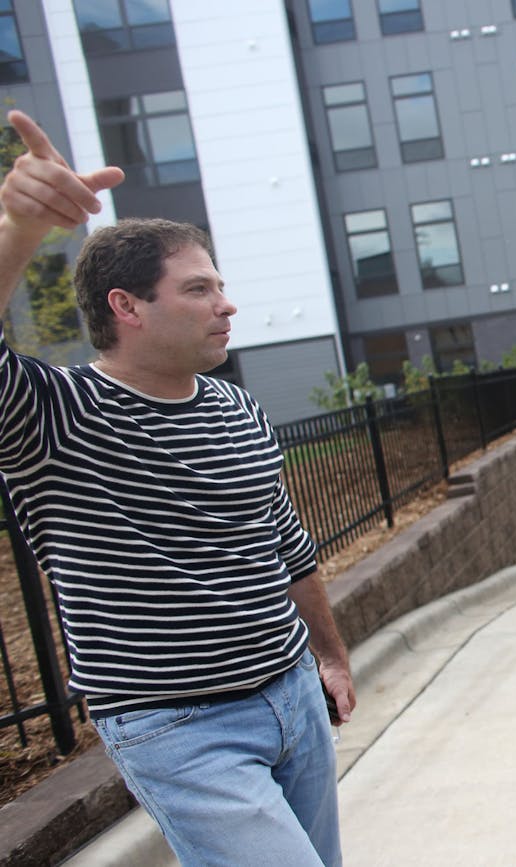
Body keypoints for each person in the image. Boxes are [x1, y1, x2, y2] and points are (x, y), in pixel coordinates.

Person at [0, 110, 354, 866]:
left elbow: (285, 540)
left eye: (221, 285)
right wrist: (19, 230)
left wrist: (329, 655)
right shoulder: (55, 415)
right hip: (181, 728)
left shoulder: (235, 404)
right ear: (127, 307)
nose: (226, 304)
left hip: (291, 690)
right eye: (199, 289)